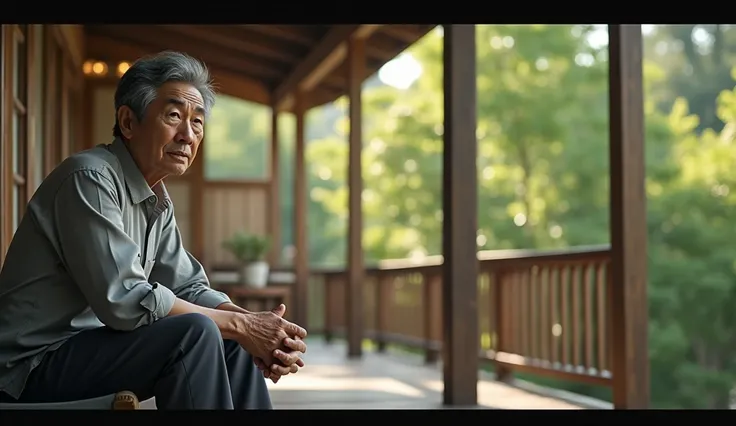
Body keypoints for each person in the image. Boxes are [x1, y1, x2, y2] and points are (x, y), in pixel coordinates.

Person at [0, 51, 307, 410]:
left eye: (197, 122)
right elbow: (126, 301)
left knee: (227, 336)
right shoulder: (89, 179)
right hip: (28, 367)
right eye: (174, 116)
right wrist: (241, 326)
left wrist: (253, 325)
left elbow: (189, 285)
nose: (188, 135)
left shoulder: (155, 199)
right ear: (128, 122)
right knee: (196, 332)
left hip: (85, 351)